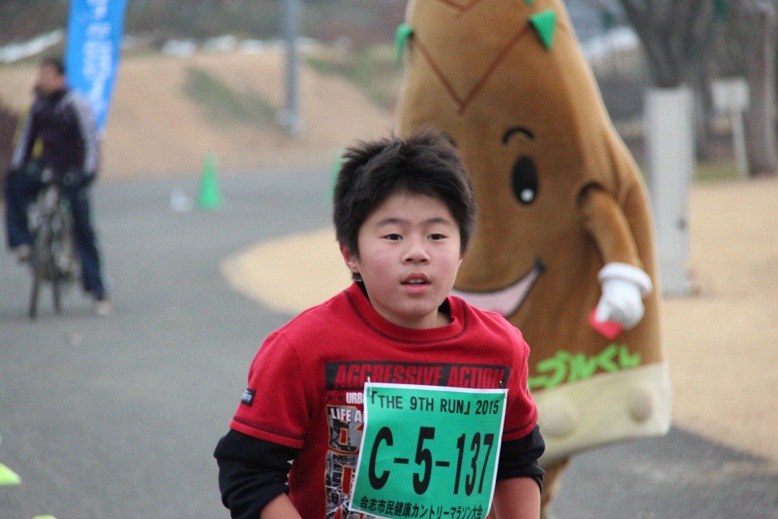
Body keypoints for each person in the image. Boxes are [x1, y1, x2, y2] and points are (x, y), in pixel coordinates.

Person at [214, 130, 545, 518]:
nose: (417, 252)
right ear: (350, 253)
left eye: (437, 235)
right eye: (393, 235)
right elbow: (248, 470)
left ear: (462, 251)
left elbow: (516, 462)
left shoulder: (499, 350)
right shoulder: (303, 348)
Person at [4, 55, 111, 316]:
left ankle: (97, 290)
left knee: (83, 227)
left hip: (73, 170)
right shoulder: (39, 105)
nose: (43, 80)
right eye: (41, 75)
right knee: (13, 184)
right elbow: (27, 140)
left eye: (48, 75)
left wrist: (86, 174)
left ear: (60, 78)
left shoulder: (75, 104)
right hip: (47, 165)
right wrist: (19, 166)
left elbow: (90, 143)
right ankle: (23, 243)